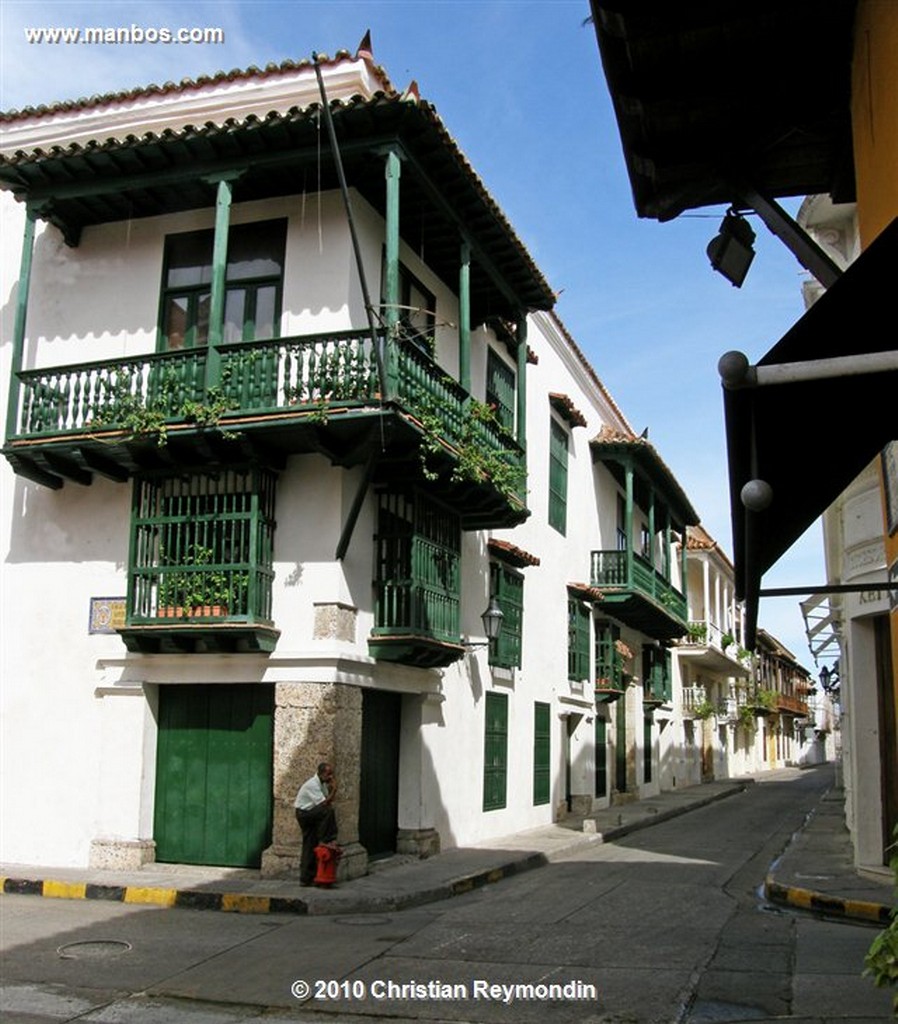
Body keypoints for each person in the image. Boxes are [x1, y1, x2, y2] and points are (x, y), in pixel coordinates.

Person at [294, 762, 338, 886]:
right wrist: (334, 790)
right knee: (328, 811)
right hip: (304, 814)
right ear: (321, 773)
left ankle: (306, 878)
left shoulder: (322, 784)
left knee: (309, 844)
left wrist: (329, 789)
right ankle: (327, 837)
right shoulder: (312, 784)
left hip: (310, 812)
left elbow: (326, 802)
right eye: (328, 774)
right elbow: (324, 804)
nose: (330, 777)